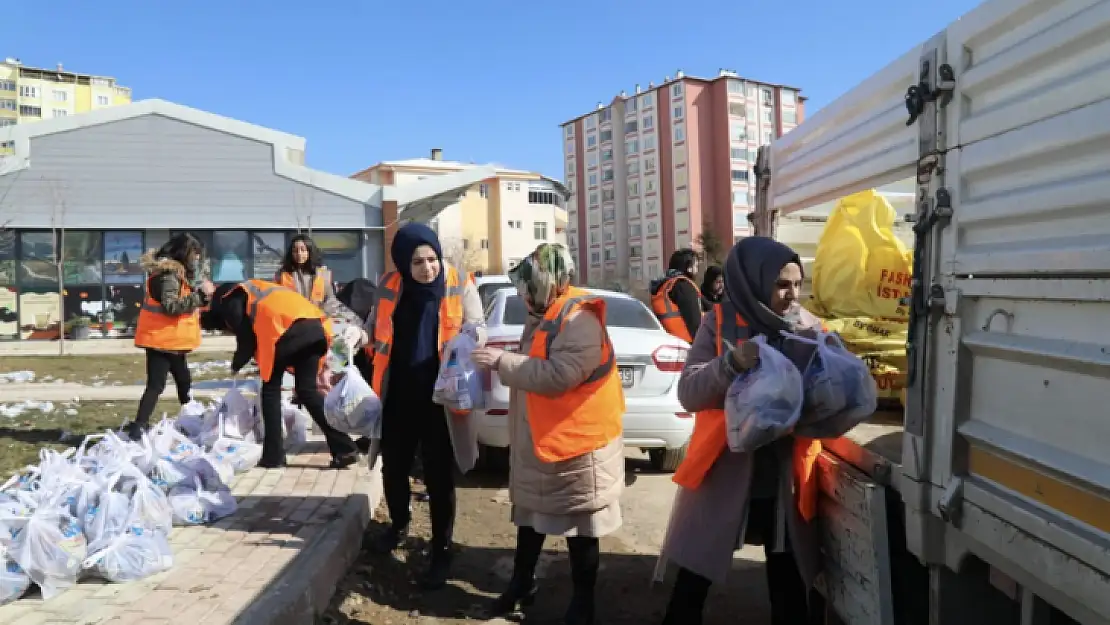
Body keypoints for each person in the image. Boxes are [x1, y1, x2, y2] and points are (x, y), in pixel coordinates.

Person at [658, 237, 826, 625]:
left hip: (783, 477)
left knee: (786, 580)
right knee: (694, 578)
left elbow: (830, 398)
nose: (792, 294)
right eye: (782, 284)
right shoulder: (717, 322)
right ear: (756, 280)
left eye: (798, 284)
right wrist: (731, 363)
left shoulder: (808, 327)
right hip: (724, 473)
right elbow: (689, 392)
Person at [471, 243, 625, 625]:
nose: (523, 295)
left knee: (581, 527)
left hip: (577, 445)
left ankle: (583, 604)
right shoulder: (546, 312)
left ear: (548, 281)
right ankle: (521, 584)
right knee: (531, 516)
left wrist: (503, 362)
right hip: (545, 439)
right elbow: (539, 360)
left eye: (527, 287)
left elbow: (558, 376)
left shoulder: (579, 320)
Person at [364, 223, 486, 590]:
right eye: (417, 261)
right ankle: (398, 526)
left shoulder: (459, 282)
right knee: (393, 468)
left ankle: (442, 548)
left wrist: (471, 335)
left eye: (432, 259)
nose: (427, 268)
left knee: (438, 475)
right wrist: (357, 333)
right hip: (398, 395)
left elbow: (477, 324)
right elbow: (374, 327)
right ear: (403, 262)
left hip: (440, 401)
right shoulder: (388, 285)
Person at [200, 280, 360, 470]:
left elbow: (246, 338)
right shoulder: (257, 288)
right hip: (315, 331)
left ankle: (273, 455)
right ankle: (344, 448)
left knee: (270, 392)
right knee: (307, 391)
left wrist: (236, 363)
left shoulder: (230, 299)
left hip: (287, 333)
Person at [125, 233, 215, 441]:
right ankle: (139, 426)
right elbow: (171, 306)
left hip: (172, 341)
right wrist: (200, 296)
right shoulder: (168, 276)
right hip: (160, 341)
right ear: (183, 253)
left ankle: (191, 417)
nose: (197, 259)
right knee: (156, 385)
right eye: (195, 254)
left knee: (184, 380)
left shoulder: (176, 274)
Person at [276, 234, 365, 327]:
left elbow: (330, 300)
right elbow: (276, 301)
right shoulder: (282, 275)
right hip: (290, 324)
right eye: (295, 250)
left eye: (303, 250)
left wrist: (322, 315)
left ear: (309, 252)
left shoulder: (322, 274)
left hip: (317, 324)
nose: (299, 254)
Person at [649, 248, 702, 342]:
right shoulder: (683, 286)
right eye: (696, 266)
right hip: (685, 344)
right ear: (689, 268)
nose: (697, 270)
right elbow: (694, 320)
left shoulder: (665, 285)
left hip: (668, 341)